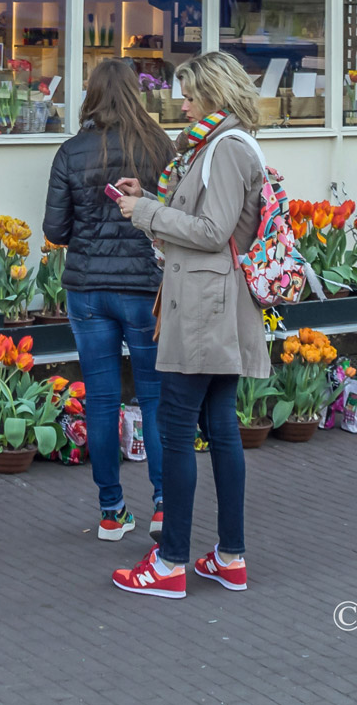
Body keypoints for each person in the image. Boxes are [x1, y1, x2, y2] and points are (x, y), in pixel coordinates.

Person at [107, 51, 271, 599]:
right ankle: (229, 556)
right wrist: (149, 200)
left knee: (178, 429)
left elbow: (209, 229)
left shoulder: (223, 150)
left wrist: (146, 214)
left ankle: (171, 562)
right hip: (218, 304)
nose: (181, 104)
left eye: (189, 95)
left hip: (205, 307)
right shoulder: (227, 143)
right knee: (219, 426)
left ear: (213, 95)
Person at [42, 59, 175, 542]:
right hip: (145, 288)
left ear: (91, 94)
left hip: (88, 290)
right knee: (156, 397)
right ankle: (164, 505)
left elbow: (55, 230)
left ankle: (111, 512)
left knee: (100, 399)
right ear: (137, 93)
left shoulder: (71, 150)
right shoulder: (161, 147)